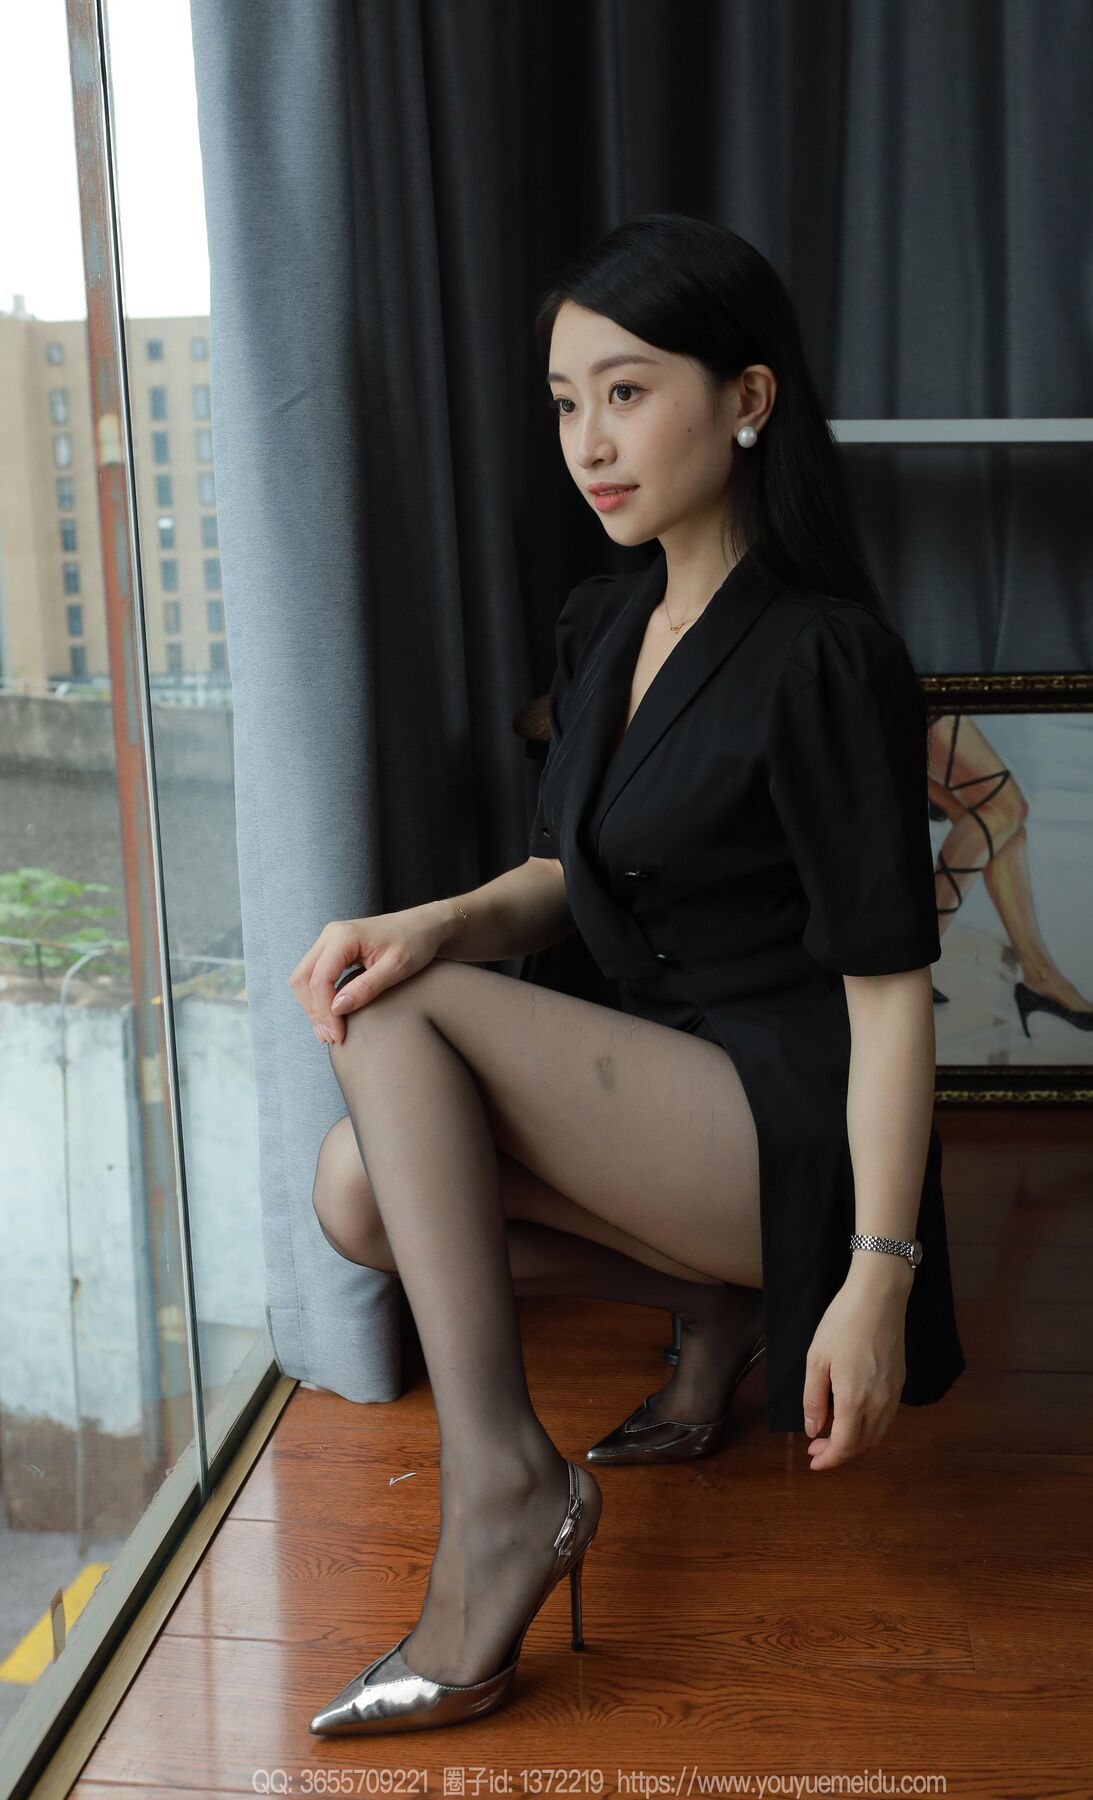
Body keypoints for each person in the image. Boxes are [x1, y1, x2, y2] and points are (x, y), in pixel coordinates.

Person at [292, 212, 966, 1737]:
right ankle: (709, 1312)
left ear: (748, 398)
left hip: (790, 1121)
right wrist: (434, 919)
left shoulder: (824, 656)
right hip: (661, 1091)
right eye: (563, 402)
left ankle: (503, 1489)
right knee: (355, 1193)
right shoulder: (606, 619)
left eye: (627, 392)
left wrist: (879, 1272)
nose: (587, 443)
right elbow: (565, 875)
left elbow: (889, 994)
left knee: (396, 1024)